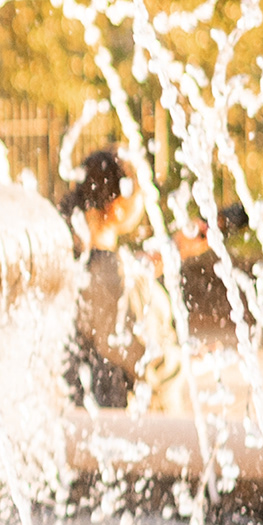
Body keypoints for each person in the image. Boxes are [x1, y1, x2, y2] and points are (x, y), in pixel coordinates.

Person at [60, 146, 186, 410]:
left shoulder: (77, 258)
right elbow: (147, 362)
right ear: (116, 207)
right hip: (124, 422)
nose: (147, 198)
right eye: (141, 191)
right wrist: (186, 357)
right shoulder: (113, 276)